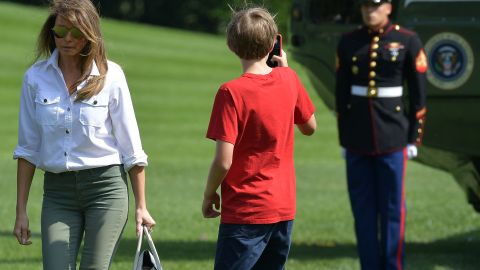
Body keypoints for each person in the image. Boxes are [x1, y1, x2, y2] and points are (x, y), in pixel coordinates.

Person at [12, 0, 155, 269]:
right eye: (60, 31)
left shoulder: (111, 76)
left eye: (76, 33)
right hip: (57, 192)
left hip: (105, 189)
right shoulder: (35, 78)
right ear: (50, 32)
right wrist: (21, 211)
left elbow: (131, 147)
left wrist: (141, 206)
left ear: (90, 34)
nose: (67, 39)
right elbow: (27, 149)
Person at [201, 7, 317, 270]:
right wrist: (286, 72)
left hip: (245, 209)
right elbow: (310, 126)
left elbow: (223, 161)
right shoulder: (288, 78)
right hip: (283, 206)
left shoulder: (231, 92)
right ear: (273, 43)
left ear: (231, 45)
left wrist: (209, 194)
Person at [335, 0, 427, 269]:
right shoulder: (349, 41)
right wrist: (344, 138)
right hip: (357, 138)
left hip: (393, 137)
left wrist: (413, 138)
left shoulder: (408, 40)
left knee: (392, 210)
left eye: (375, 5)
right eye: (364, 5)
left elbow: (418, 95)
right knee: (363, 211)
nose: (368, 10)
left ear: (389, 7)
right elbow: (342, 94)